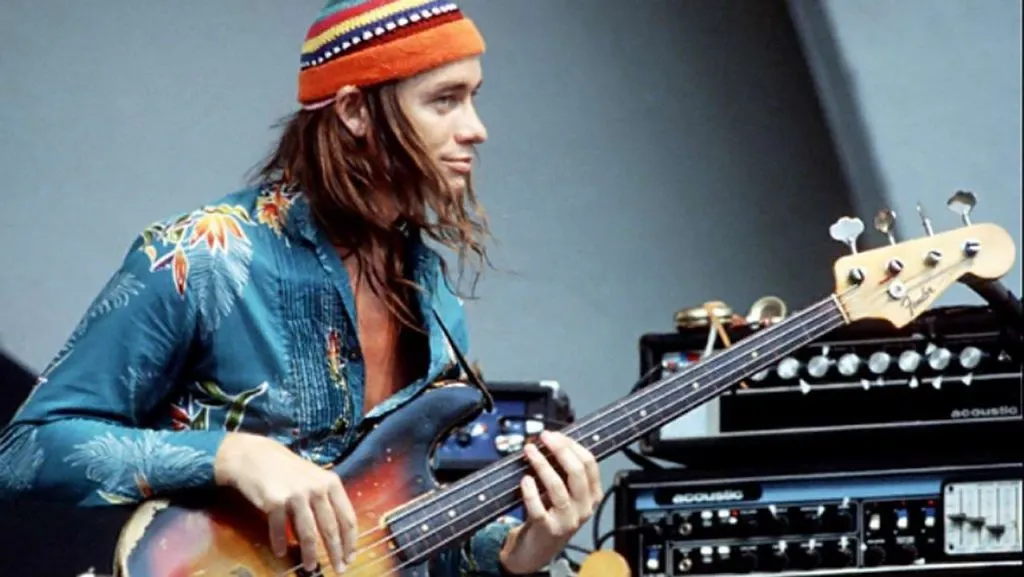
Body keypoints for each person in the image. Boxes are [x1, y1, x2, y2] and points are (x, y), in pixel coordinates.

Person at [0, 1, 603, 575]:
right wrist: (233, 456)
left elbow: (389, 539)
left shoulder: (429, 294)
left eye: (473, 98)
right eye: (444, 100)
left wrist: (517, 554)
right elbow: (25, 450)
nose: (476, 129)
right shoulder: (207, 255)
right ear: (355, 111)